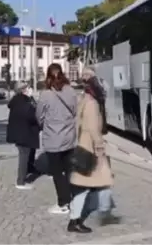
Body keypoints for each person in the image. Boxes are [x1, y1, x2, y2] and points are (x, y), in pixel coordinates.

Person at [67, 75, 120, 233]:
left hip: (86, 145)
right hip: (90, 149)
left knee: (100, 182)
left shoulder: (84, 100)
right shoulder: (92, 103)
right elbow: (92, 127)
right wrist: (99, 146)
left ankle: (100, 212)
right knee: (86, 186)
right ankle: (75, 220)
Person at [36, 63, 78, 215]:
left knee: (56, 172)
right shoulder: (71, 91)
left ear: (48, 76)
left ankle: (63, 203)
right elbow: (75, 111)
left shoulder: (45, 94)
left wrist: (45, 124)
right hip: (69, 136)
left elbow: (39, 116)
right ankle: (73, 199)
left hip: (53, 138)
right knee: (69, 170)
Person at [6, 82, 40, 190]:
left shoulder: (22, 100)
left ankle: (30, 168)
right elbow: (31, 115)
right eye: (29, 88)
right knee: (24, 155)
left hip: (24, 132)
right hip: (24, 133)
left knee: (30, 151)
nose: (31, 90)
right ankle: (20, 181)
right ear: (23, 90)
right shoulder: (22, 101)